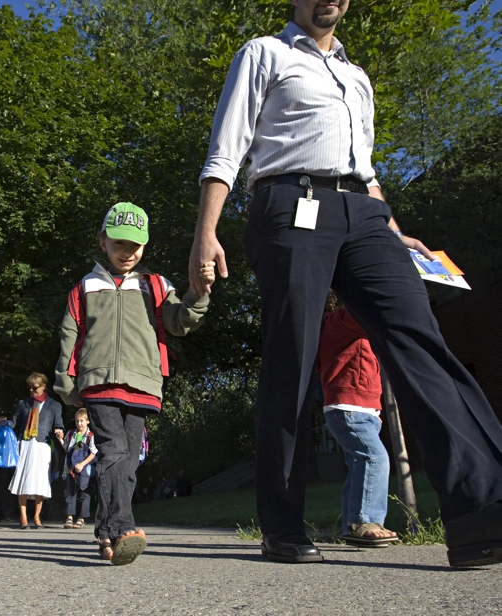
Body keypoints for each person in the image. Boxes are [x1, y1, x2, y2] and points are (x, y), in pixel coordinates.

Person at [190, 0, 502, 566]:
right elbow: (227, 146)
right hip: (290, 204)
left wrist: (394, 229)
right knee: (292, 356)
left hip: (365, 215)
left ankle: (482, 509)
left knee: (421, 343)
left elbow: (366, 166)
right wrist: (205, 233)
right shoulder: (266, 53)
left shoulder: (357, 77)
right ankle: (283, 526)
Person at [55, 201, 215, 566]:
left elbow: (179, 322)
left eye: (135, 246)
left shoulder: (155, 285)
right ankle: (124, 526)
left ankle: (106, 534)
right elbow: (70, 333)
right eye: (119, 244)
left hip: (142, 381)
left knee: (128, 458)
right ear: (103, 242)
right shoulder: (85, 287)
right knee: (112, 450)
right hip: (98, 380)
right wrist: (66, 381)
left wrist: (199, 293)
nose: (127, 252)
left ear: (144, 246)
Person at [318, 290, 398, 547]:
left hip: (362, 410)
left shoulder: (339, 326)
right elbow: (368, 310)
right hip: (349, 408)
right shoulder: (338, 322)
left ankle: (352, 526)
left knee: (359, 464)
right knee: (374, 457)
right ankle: (365, 520)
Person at [9, 373, 64, 530]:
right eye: (29, 387)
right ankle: (24, 516)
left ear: (44, 386)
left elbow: (59, 423)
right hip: (24, 444)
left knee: (40, 481)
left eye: (35, 387)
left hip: (42, 445)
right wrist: (5, 426)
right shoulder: (23, 404)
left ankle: (37, 516)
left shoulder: (54, 405)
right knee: (22, 479)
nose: (32, 390)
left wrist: (59, 430)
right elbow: (14, 423)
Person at [58, 407, 97, 529]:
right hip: (70, 467)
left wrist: (82, 464)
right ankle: (69, 516)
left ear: (87, 421)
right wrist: (60, 438)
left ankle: (82, 517)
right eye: (77, 421)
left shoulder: (90, 436)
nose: (79, 423)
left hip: (85, 468)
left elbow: (93, 453)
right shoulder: (71, 434)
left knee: (84, 491)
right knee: (70, 491)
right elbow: (67, 449)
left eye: (81, 421)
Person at [0, 415, 18, 521]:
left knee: (8, 491)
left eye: (4, 421)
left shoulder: (11, 435)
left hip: (9, 467)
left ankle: (8, 513)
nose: (2, 423)